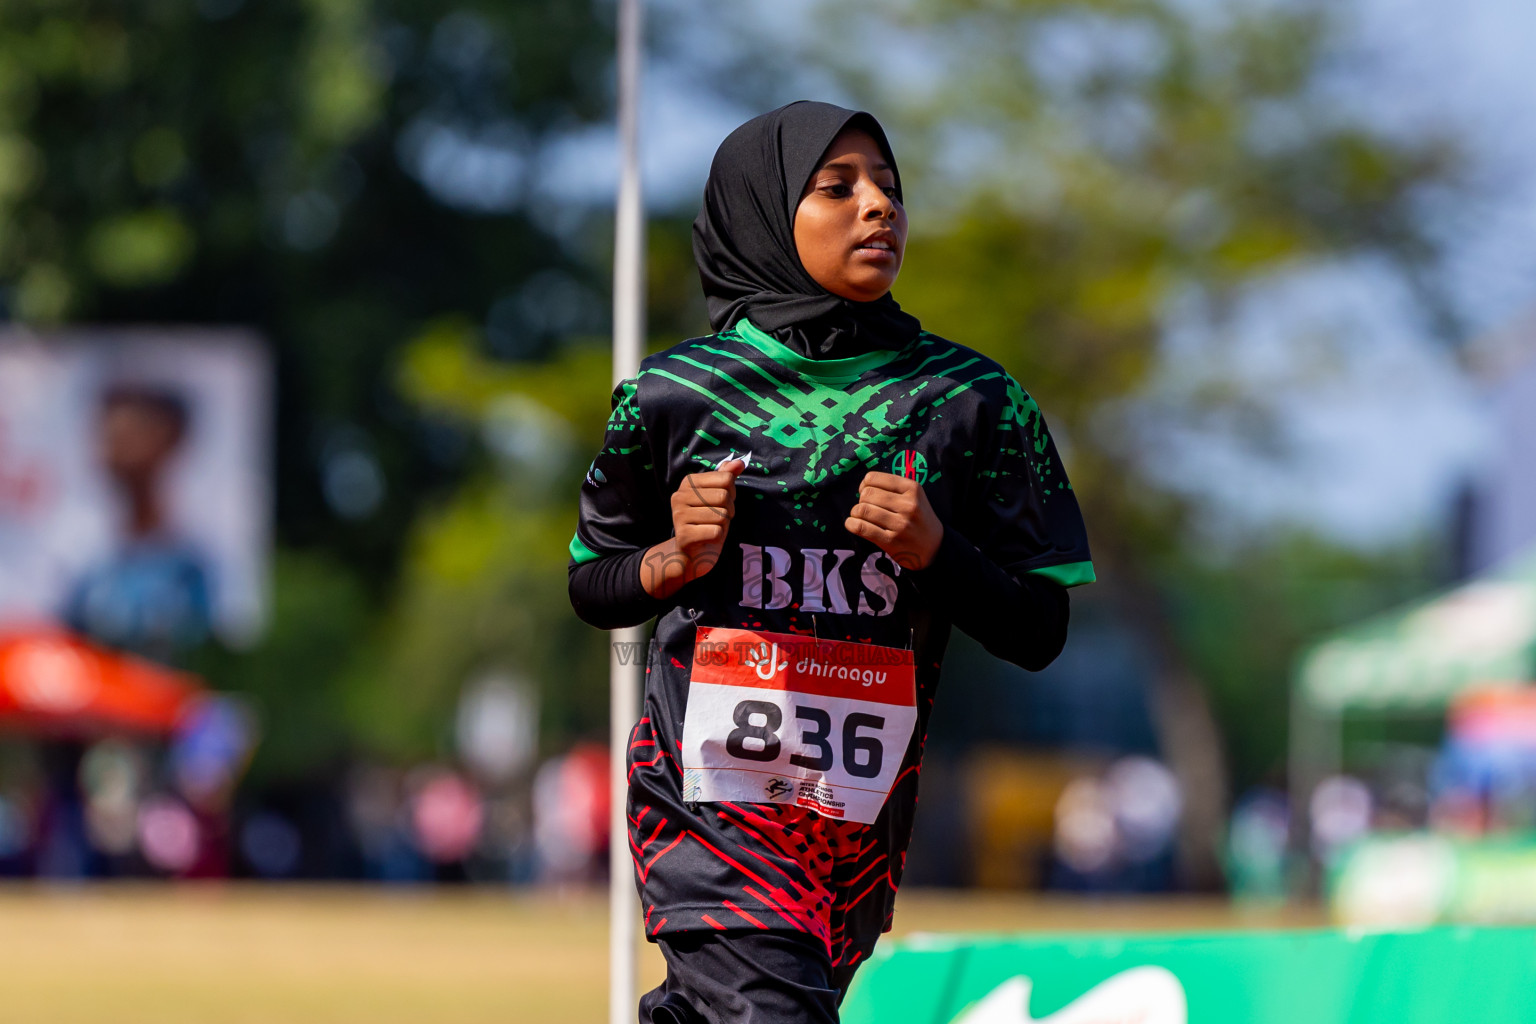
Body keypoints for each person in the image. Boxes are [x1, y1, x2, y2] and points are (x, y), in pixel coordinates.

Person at [568, 101, 1094, 1024]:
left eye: (889, 188)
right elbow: (593, 584)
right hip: (705, 809)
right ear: (765, 213)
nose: (879, 207)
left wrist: (938, 554)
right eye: (837, 187)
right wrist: (672, 560)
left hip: (853, 832)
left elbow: (1039, 628)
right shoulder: (670, 396)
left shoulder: (976, 402)